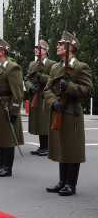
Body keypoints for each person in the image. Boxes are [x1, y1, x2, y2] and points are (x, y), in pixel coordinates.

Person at [44, 31, 92, 196]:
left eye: (60, 43)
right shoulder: (56, 67)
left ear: (70, 47)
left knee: (72, 148)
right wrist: (53, 102)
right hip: (58, 111)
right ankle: (62, 181)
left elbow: (88, 90)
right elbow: (47, 89)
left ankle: (71, 184)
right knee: (61, 146)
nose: (57, 46)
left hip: (72, 113)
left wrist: (70, 87)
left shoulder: (80, 67)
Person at [0, 38, 24, 177]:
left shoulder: (12, 67)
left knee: (7, 138)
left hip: (5, 106)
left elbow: (18, 93)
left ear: (2, 52)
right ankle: (1, 165)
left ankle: (7, 168)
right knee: (0, 136)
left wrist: (14, 110)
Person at [24, 39, 56, 156]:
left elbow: (53, 79)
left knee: (45, 121)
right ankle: (42, 147)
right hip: (36, 94)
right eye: (36, 48)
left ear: (46, 51)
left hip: (45, 96)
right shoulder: (33, 64)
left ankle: (47, 147)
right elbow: (26, 78)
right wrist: (31, 88)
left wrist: (41, 77)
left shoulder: (52, 64)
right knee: (37, 121)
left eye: (39, 48)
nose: (37, 50)